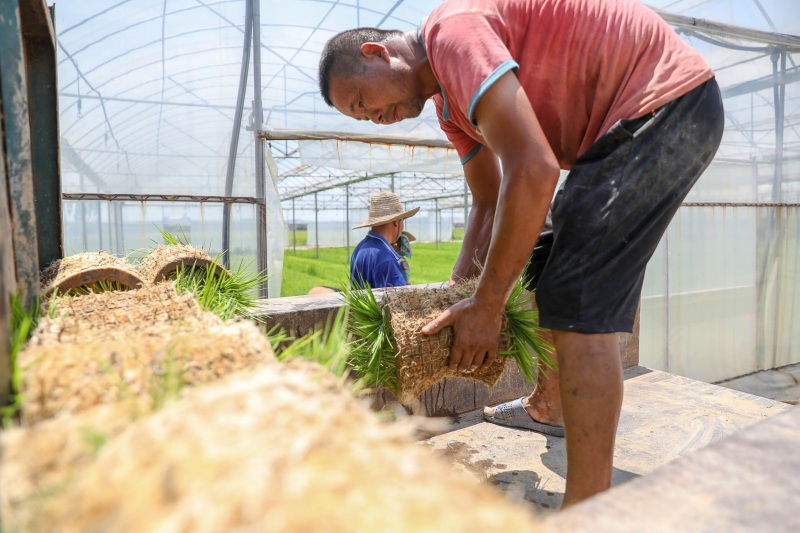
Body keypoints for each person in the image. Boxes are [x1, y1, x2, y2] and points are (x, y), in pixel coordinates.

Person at [318, 0, 724, 506]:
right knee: (547, 257)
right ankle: (550, 405)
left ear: (377, 53)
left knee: (576, 301)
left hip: (662, 102)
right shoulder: (449, 107)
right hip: (621, 133)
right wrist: (460, 294)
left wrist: (487, 306)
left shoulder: (452, 34)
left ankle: (588, 510)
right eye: (362, 117)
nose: (375, 119)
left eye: (362, 100)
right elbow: (489, 200)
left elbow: (534, 168)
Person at [350, 192, 419, 288]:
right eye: (402, 220)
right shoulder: (387, 258)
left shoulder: (360, 248)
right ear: (396, 222)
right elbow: (397, 300)